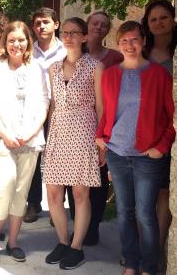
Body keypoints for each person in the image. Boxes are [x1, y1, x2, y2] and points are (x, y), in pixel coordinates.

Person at [96, 21, 174, 275]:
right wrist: (101, 137)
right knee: (124, 211)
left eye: (134, 40)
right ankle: (131, 263)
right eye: (124, 41)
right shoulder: (110, 75)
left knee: (145, 214)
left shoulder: (159, 75)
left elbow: (171, 117)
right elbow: (107, 113)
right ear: (118, 44)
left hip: (147, 155)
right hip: (118, 153)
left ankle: (149, 267)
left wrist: (160, 147)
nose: (129, 45)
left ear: (143, 41)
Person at [0, 20, 48, 263]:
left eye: (21, 40)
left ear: (28, 42)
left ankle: (13, 242)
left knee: (21, 192)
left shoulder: (36, 68)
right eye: (11, 40)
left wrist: (31, 132)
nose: (16, 44)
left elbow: (44, 103)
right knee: (6, 187)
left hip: (30, 140)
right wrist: (5, 134)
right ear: (5, 42)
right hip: (0, 139)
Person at [44, 17, 104, 270]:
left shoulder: (95, 66)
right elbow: (53, 105)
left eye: (74, 32)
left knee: (80, 193)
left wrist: (103, 144)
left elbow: (101, 107)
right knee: (54, 193)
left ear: (84, 37)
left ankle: (77, 246)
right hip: (58, 133)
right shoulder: (53, 68)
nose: (68, 36)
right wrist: (47, 136)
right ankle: (62, 240)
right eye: (65, 32)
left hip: (84, 132)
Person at [65, 10, 123, 246]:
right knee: (73, 181)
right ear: (86, 29)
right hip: (75, 129)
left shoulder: (116, 58)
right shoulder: (73, 56)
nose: (98, 27)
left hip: (104, 125)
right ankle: (77, 225)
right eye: (94, 23)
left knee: (97, 181)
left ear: (107, 30)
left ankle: (92, 229)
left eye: (103, 25)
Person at [141, 0, 176, 271]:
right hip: (148, 133)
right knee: (146, 196)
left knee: (164, 193)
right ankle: (145, 251)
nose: (159, 23)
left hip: (171, 132)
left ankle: (159, 250)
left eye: (164, 17)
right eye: (153, 19)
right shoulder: (143, 53)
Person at [24, 7, 66, 224]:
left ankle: (57, 207)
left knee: (59, 157)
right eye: (38, 23)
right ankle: (33, 203)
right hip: (33, 110)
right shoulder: (28, 52)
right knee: (33, 156)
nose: (41, 26)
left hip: (61, 111)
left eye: (46, 22)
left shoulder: (66, 50)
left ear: (56, 25)